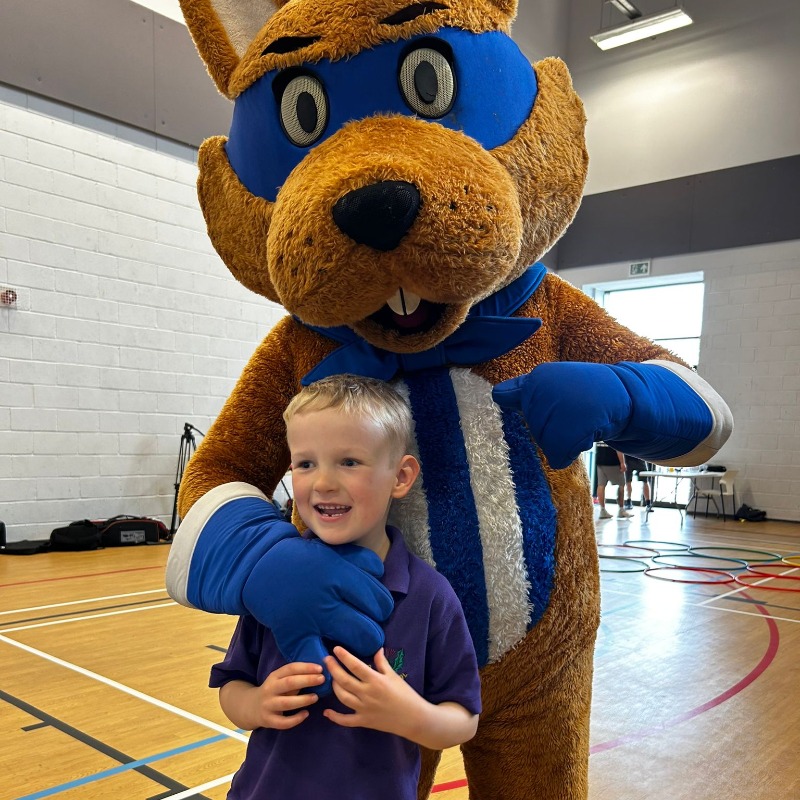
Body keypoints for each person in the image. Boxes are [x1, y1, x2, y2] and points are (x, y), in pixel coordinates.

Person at [210, 375, 482, 800]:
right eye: (305, 463)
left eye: (349, 462)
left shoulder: (429, 596)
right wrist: (256, 703)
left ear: (401, 476)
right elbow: (231, 685)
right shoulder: (275, 582)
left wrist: (410, 715)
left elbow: (463, 719)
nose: (322, 483)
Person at [595, 442, 632, 519]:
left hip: (600, 460)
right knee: (621, 485)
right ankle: (621, 510)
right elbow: (618, 448)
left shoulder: (599, 431)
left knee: (601, 485)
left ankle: (602, 510)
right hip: (613, 461)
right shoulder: (614, 431)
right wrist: (622, 463)